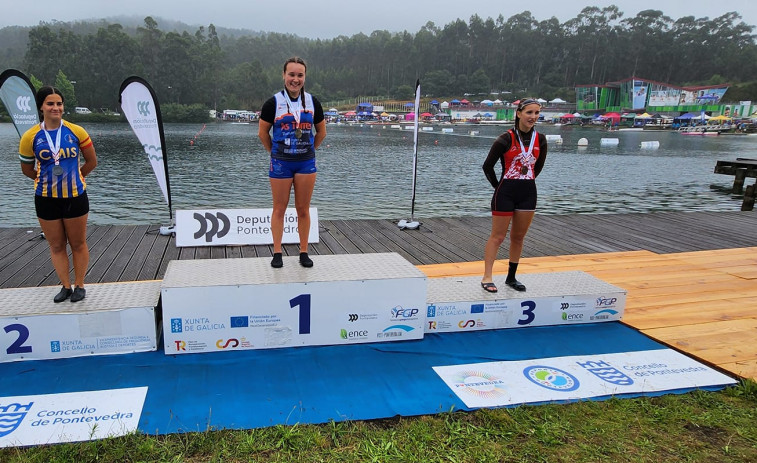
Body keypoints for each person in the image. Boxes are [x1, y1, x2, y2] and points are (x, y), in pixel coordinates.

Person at [19, 86, 97, 302]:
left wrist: (76, 177)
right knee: (56, 245)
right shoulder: (30, 137)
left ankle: (80, 285)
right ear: (41, 107)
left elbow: (92, 162)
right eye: (50, 104)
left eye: (59, 104)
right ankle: (65, 286)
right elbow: (26, 169)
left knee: (78, 243)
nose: (56, 108)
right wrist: (45, 180)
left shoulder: (76, 131)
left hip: (75, 197)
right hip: (45, 199)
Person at [258, 57, 326, 268]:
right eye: (291, 75)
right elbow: (262, 133)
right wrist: (275, 152)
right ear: (284, 75)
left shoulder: (313, 102)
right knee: (279, 209)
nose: (295, 80)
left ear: (304, 77)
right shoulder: (273, 103)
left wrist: (309, 150)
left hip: (305, 163)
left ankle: (303, 251)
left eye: (300, 75)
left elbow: (321, 132)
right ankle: (277, 252)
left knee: (303, 209)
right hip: (281, 163)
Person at [480, 98, 547, 293]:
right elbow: (487, 167)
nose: (533, 117)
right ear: (518, 113)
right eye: (529, 113)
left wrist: (525, 180)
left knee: (518, 237)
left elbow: (538, 166)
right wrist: (498, 187)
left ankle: (511, 278)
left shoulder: (540, 139)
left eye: (536, 113)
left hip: (528, 193)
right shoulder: (505, 138)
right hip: (505, 193)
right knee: (498, 237)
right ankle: (487, 277)